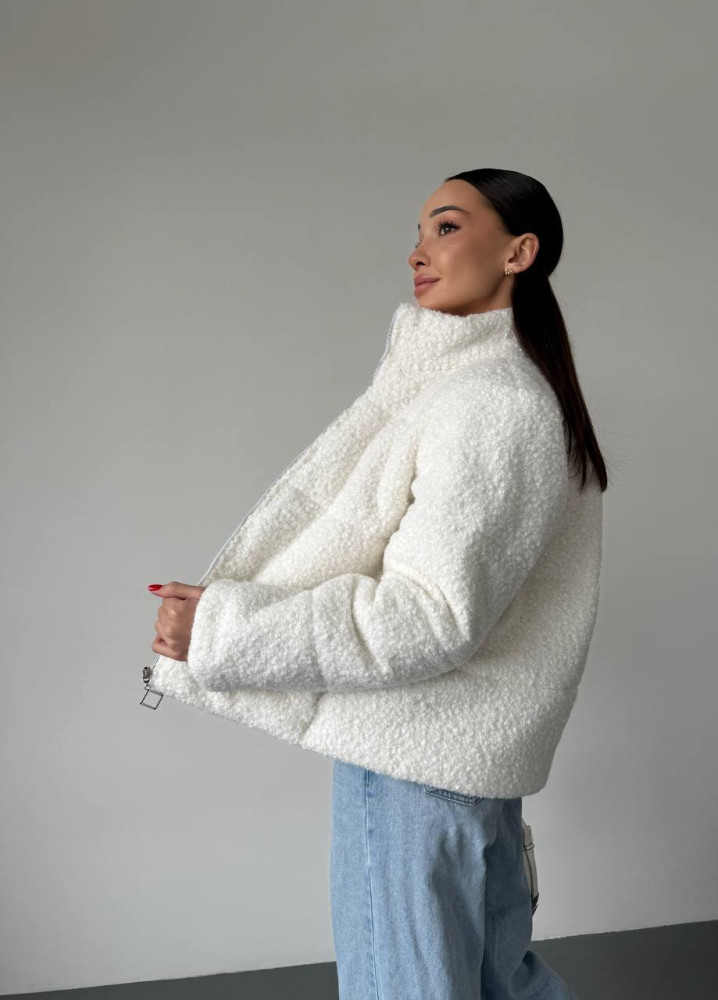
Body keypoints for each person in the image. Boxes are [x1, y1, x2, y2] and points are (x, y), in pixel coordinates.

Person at [145, 167, 605, 1000]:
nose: (418, 252)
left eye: (447, 227)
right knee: (496, 984)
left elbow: (428, 617)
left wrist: (222, 631)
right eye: (420, 233)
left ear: (519, 252)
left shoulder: (489, 404)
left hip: (417, 764)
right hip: (454, 763)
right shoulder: (492, 393)